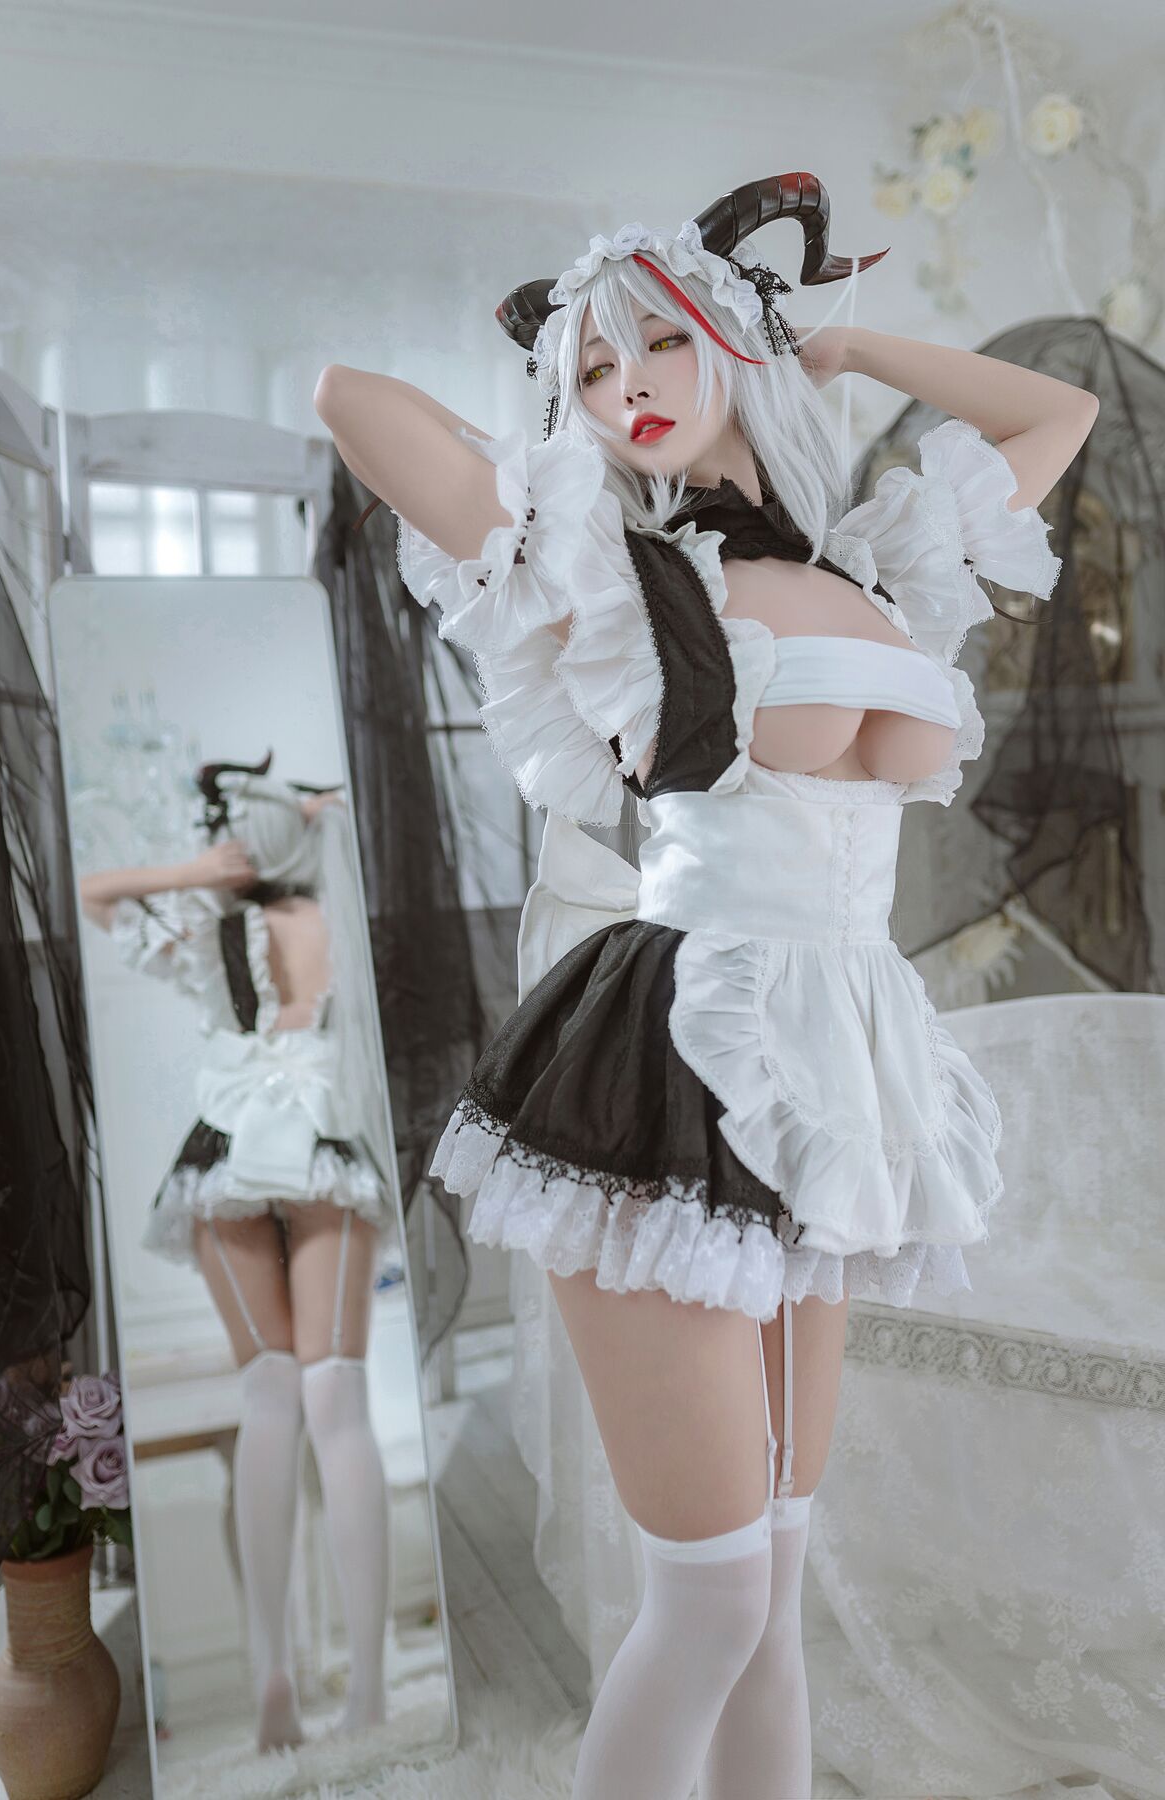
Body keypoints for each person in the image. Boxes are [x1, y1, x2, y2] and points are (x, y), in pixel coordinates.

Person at [314, 170, 1098, 1799]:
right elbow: (347, 398)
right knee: (713, 1596)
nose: (629, 392)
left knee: (776, 1592)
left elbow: (1059, 412)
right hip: (666, 1054)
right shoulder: (602, 569)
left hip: (835, 1067)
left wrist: (846, 344)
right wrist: (548, 436)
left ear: (736, 343)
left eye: (658, 346)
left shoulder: (889, 566)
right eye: (596, 370)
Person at [80, 758, 399, 1752]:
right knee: (336, 1399)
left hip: (223, 1157)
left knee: (269, 1396)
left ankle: (273, 1680)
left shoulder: (209, 932)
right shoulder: (342, 925)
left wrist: (194, 873)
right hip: (323, 1149)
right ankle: (368, 1690)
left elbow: (94, 894)